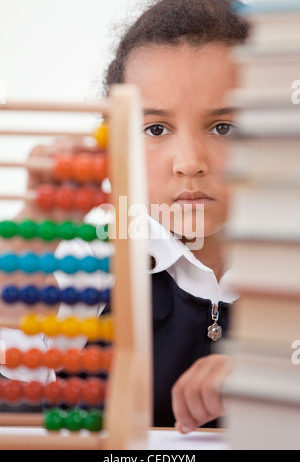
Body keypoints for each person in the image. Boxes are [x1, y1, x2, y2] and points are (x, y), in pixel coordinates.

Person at [0, 0, 250, 431]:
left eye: (223, 127)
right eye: (155, 129)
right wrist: (30, 240)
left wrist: (272, 375)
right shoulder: (97, 248)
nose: (189, 162)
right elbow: (14, 359)